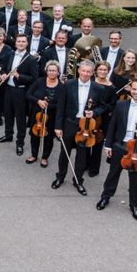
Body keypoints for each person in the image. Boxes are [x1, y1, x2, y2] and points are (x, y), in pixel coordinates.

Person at [97, 78, 137, 221]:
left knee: (135, 179)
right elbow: (112, 125)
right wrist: (108, 144)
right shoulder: (121, 105)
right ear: (130, 89)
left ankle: (134, 205)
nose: (136, 92)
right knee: (113, 174)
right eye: (134, 89)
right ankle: (105, 197)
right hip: (120, 145)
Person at [51, 59, 106, 195]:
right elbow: (61, 107)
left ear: (93, 73)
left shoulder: (98, 88)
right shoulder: (68, 84)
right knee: (65, 153)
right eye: (83, 71)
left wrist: (94, 112)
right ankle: (60, 177)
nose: (85, 74)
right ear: (79, 71)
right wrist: (58, 126)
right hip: (70, 123)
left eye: (88, 72)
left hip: (86, 126)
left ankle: (78, 180)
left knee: (82, 155)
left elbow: (103, 106)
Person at [0, 34, 39, 155]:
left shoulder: (31, 59)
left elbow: (34, 78)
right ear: (15, 43)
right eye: (18, 41)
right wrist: (3, 74)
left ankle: (20, 143)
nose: (20, 43)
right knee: (8, 114)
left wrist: (19, 76)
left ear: (27, 43)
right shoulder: (10, 54)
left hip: (20, 91)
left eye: (23, 41)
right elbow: (5, 68)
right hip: (8, 89)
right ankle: (8, 135)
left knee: (20, 119)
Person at [26, 60, 65, 167]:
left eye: (54, 70)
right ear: (46, 71)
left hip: (52, 116)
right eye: (50, 70)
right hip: (37, 114)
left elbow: (61, 104)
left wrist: (49, 105)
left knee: (48, 138)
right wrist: (38, 101)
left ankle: (45, 157)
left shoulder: (62, 86)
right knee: (35, 135)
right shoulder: (39, 81)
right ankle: (34, 155)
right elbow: (28, 95)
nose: (52, 72)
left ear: (58, 72)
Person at [87, 60, 116, 177]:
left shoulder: (112, 88)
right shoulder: (90, 82)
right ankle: (84, 164)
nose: (103, 72)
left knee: (97, 144)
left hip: (102, 120)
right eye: (100, 69)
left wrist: (100, 109)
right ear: (96, 71)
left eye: (105, 70)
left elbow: (112, 105)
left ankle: (94, 169)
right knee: (85, 141)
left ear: (108, 71)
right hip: (88, 116)